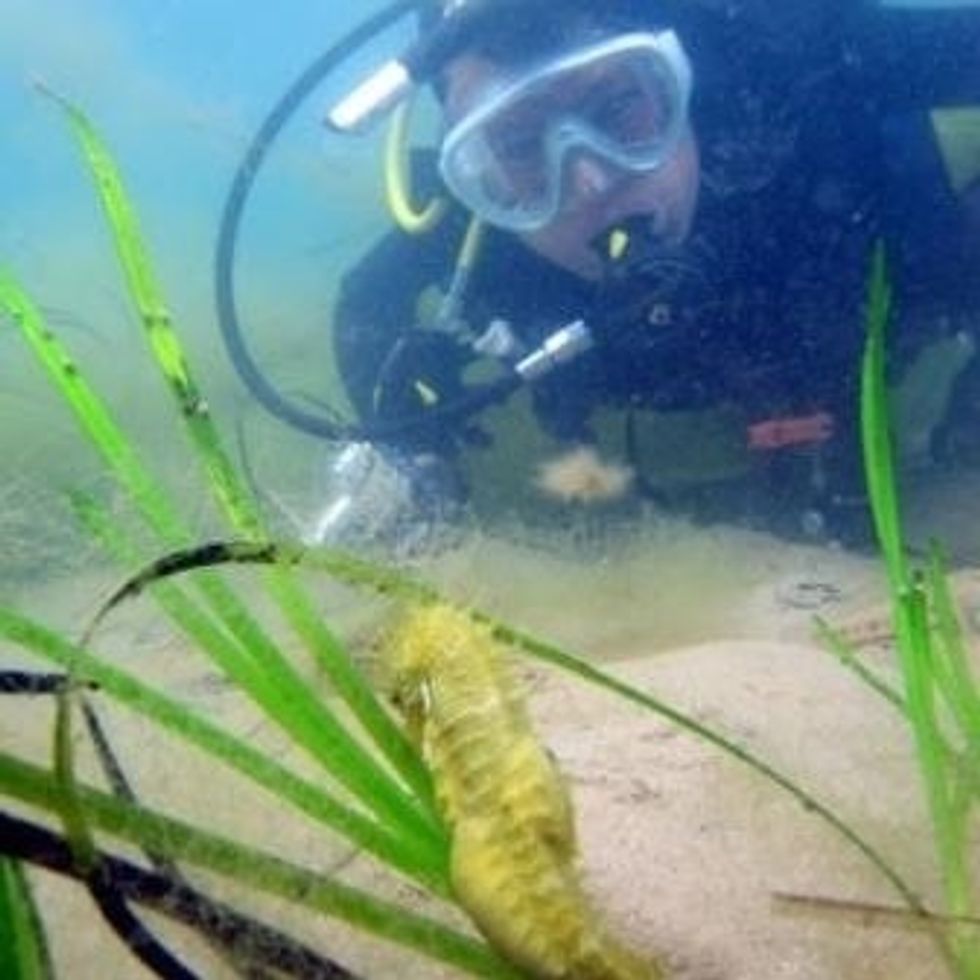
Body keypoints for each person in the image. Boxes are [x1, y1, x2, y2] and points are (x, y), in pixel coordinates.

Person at [319, 0, 980, 549]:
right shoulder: (478, 239)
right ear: (480, 175)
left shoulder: (792, 64)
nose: (591, 180)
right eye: (520, 145)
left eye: (617, 108)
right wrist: (414, 454)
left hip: (916, 292)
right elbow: (368, 302)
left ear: (677, 74)